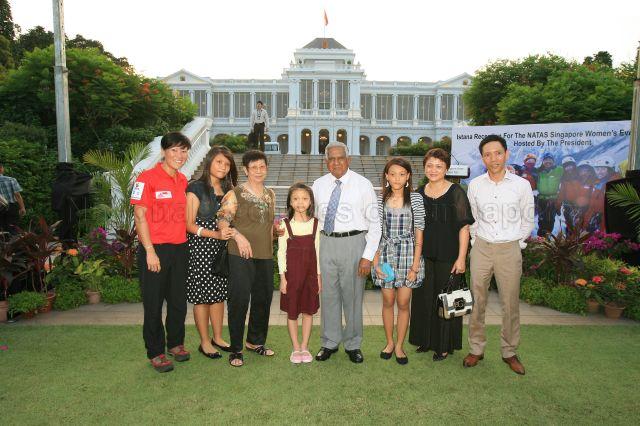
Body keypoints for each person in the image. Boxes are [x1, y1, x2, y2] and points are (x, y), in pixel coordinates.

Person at [464, 134, 534, 375]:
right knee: (477, 302)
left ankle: (509, 351)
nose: (493, 158)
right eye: (487, 154)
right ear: (482, 158)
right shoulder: (475, 185)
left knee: (510, 303)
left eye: (497, 153)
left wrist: (517, 243)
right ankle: (476, 348)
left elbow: (528, 220)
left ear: (506, 154)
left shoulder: (521, 185)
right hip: (482, 248)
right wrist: (475, 241)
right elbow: (472, 218)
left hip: (509, 249)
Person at [312, 141, 381, 364]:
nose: (336, 162)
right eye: (331, 158)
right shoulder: (318, 185)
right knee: (329, 296)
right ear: (326, 162)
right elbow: (310, 218)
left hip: (354, 244)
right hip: (326, 243)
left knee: (353, 297)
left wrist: (367, 256)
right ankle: (329, 342)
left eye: (340, 157)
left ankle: (353, 343)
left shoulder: (363, 184)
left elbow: (375, 223)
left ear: (348, 159)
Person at [131, 132, 192, 373]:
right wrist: (149, 251)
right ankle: (156, 351)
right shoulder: (146, 179)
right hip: (154, 249)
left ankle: (175, 344)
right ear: (164, 152)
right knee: (154, 304)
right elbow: (139, 216)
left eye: (184, 150)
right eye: (174, 150)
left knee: (178, 301)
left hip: (179, 248)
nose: (180, 155)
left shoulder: (183, 180)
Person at [409, 148, 474, 362]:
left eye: (438, 166)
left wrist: (461, 258)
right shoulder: (418, 193)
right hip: (425, 256)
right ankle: (425, 341)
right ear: (424, 167)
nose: (433, 170)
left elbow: (464, 228)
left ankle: (444, 346)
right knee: (424, 300)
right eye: (429, 165)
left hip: (449, 256)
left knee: (447, 301)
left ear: (446, 168)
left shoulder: (456, 192)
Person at [218, 150, 276, 367]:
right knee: (239, 301)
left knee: (263, 300)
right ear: (245, 170)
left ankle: (255, 342)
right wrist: (238, 236)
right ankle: (236, 349)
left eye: (262, 166)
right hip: (239, 254)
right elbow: (223, 221)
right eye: (254, 167)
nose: (259, 171)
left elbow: (268, 225)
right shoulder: (235, 194)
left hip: (265, 255)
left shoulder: (270, 193)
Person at [185, 146, 238, 360]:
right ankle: (205, 342)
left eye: (227, 164)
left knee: (218, 296)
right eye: (219, 162)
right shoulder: (195, 188)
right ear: (209, 162)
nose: (223, 167)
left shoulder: (228, 190)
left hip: (221, 250)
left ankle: (217, 337)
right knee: (202, 297)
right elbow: (188, 225)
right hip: (199, 249)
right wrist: (214, 235)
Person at [372, 158, 425, 365]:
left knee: (403, 302)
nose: (397, 178)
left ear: (408, 176)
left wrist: (415, 265)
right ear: (386, 176)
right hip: (385, 254)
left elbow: (419, 232)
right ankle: (389, 342)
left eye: (402, 174)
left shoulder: (416, 199)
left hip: (408, 253)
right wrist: (376, 263)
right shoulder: (378, 200)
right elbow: (375, 233)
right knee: (388, 301)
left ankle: (401, 345)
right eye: (392, 174)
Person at [277, 183, 321, 364]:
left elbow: (318, 252)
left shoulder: (316, 224)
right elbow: (280, 253)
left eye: (304, 198)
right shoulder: (284, 225)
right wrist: (282, 278)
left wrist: (319, 278)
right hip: (292, 278)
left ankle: (305, 346)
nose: (300, 202)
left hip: (310, 278)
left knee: (308, 312)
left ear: (310, 201)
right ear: (290, 202)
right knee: (292, 313)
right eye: (295, 198)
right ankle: (295, 347)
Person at [535, 153, 563, 236]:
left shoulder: (559, 170)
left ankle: (547, 235)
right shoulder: (538, 171)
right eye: (546, 160)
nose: (548, 161)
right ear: (543, 161)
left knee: (550, 219)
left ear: (553, 161)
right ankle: (541, 236)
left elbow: (570, 172)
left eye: (550, 160)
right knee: (541, 218)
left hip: (553, 199)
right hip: (541, 199)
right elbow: (529, 171)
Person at [555, 156, 584, 234]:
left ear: (574, 165)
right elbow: (561, 193)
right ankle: (571, 239)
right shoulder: (563, 180)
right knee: (570, 223)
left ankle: (581, 239)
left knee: (581, 223)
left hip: (581, 205)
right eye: (566, 167)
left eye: (570, 165)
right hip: (568, 205)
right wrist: (558, 206)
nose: (569, 168)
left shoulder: (581, 177)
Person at [0, 163, 26, 235]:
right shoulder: (11, 180)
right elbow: (17, 195)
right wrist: (22, 207)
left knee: (1, 231)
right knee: (13, 229)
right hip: (11, 207)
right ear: (1, 168)